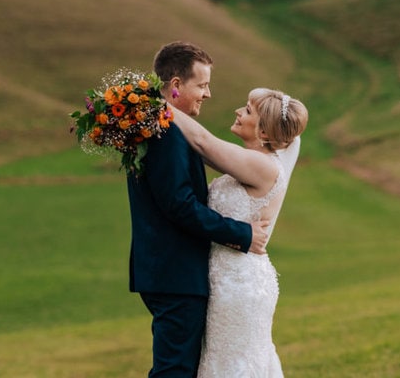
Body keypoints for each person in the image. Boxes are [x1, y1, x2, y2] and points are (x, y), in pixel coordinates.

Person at [128, 41, 271, 377]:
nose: (208, 94)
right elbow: (180, 205)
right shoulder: (166, 133)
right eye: (202, 85)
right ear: (176, 86)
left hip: (170, 270)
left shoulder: (165, 127)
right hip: (175, 272)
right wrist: (242, 233)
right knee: (174, 371)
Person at [169, 87, 308, 377]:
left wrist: (156, 105)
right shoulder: (249, 163)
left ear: (266, 134)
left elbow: (202, 143)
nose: (238, 112)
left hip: (240, 285)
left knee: (233, 365)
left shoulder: (262, 165)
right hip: (225, 277)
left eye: (247, 111)